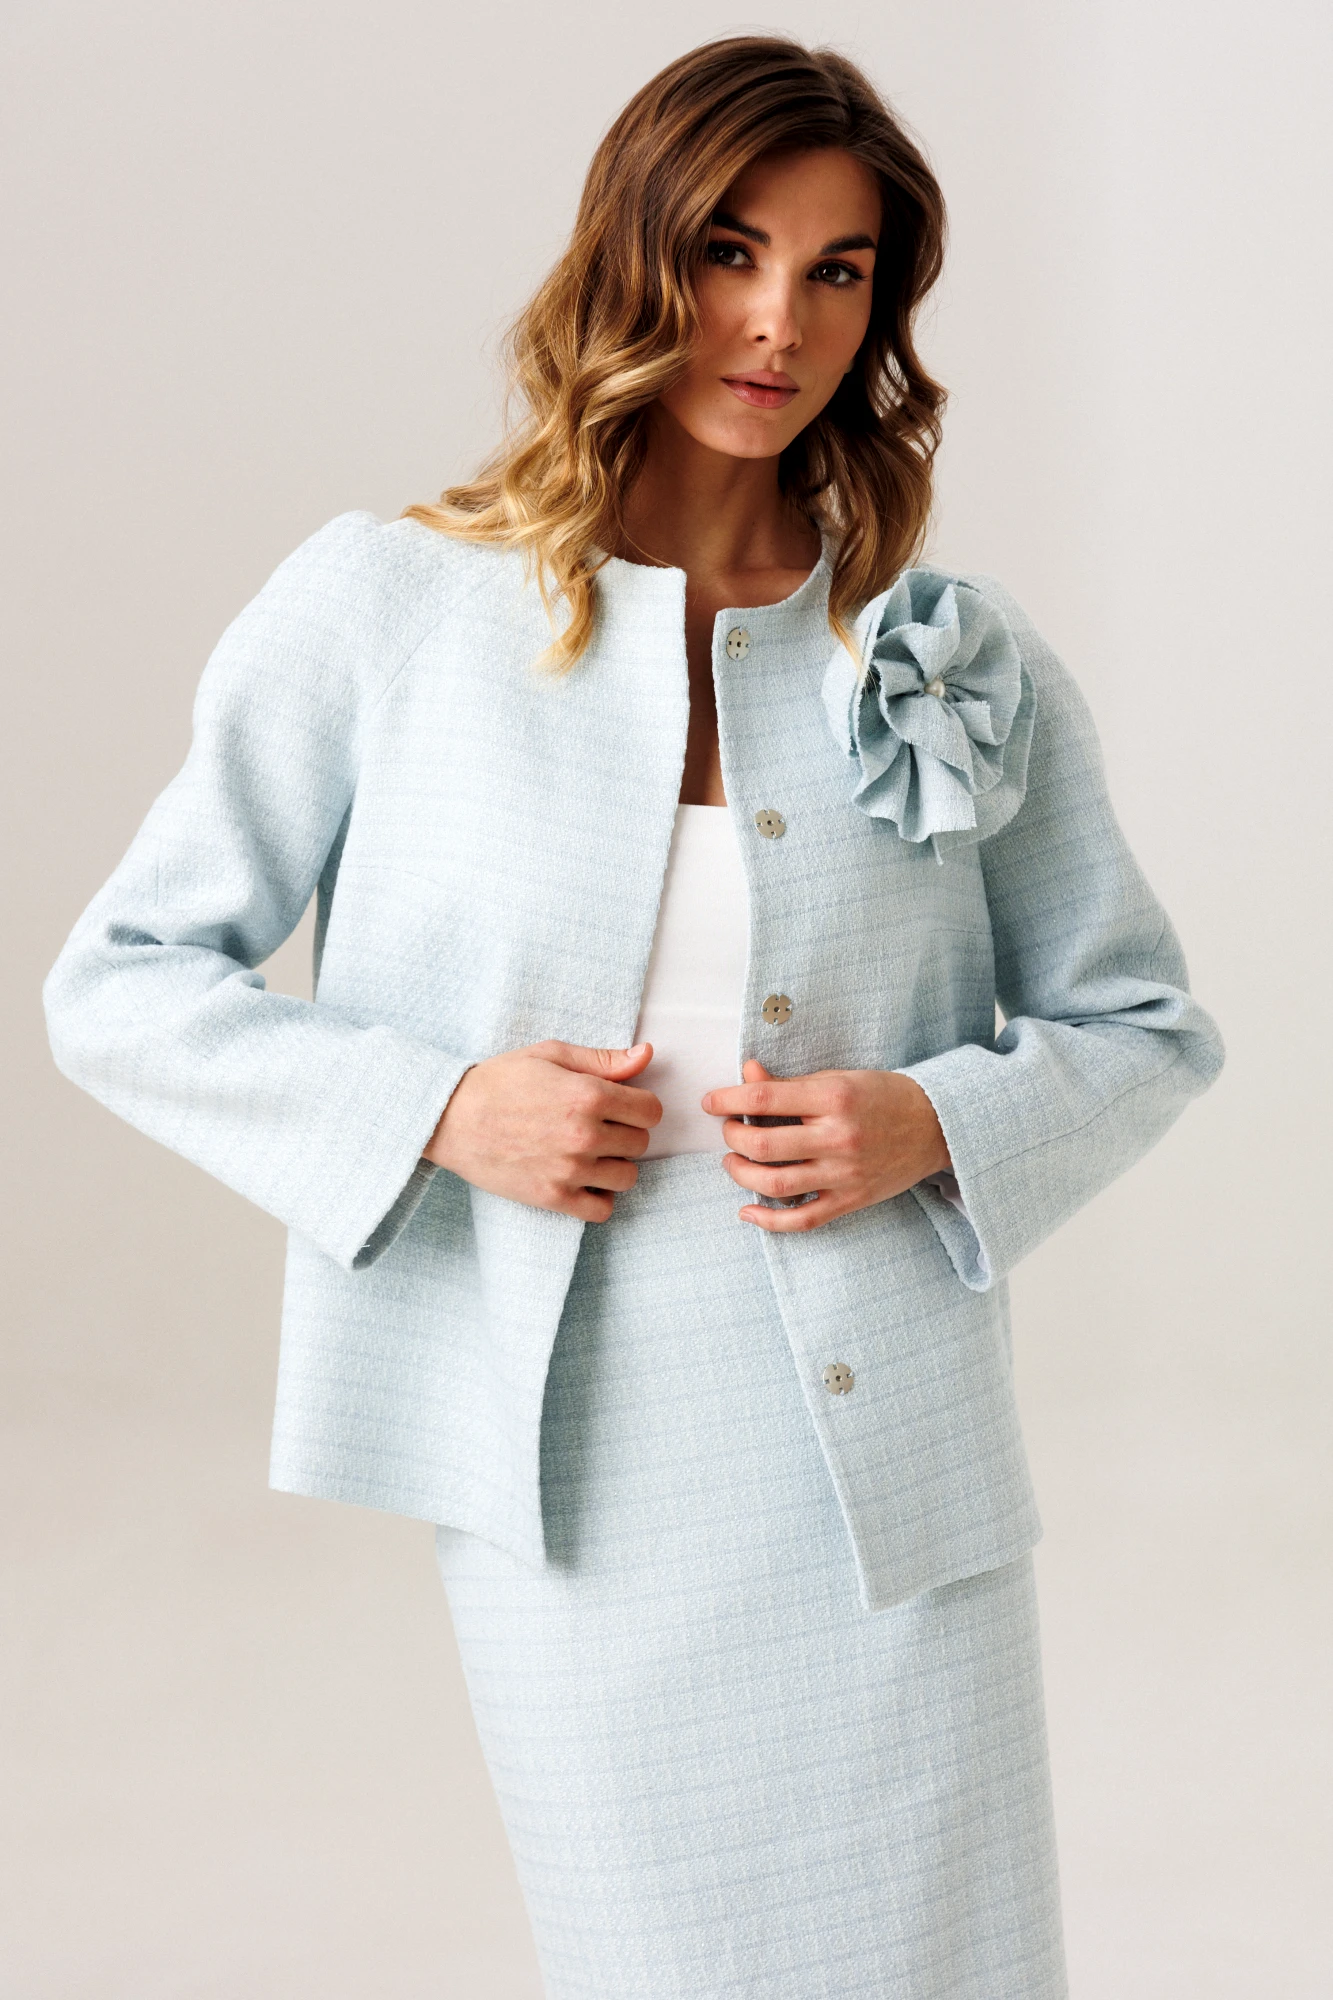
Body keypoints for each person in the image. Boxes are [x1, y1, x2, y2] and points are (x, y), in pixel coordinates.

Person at [43, 34, 1224, 2000]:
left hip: (895, 1486)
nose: (779, 322)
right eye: (731, 251)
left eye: (839, 271)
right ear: (632, 255)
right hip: (579, 1471)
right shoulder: (388, 609)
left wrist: (936, 1121)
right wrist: (439, 1108)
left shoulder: (946, 650)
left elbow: (1143, 1020)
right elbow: (121, 982)